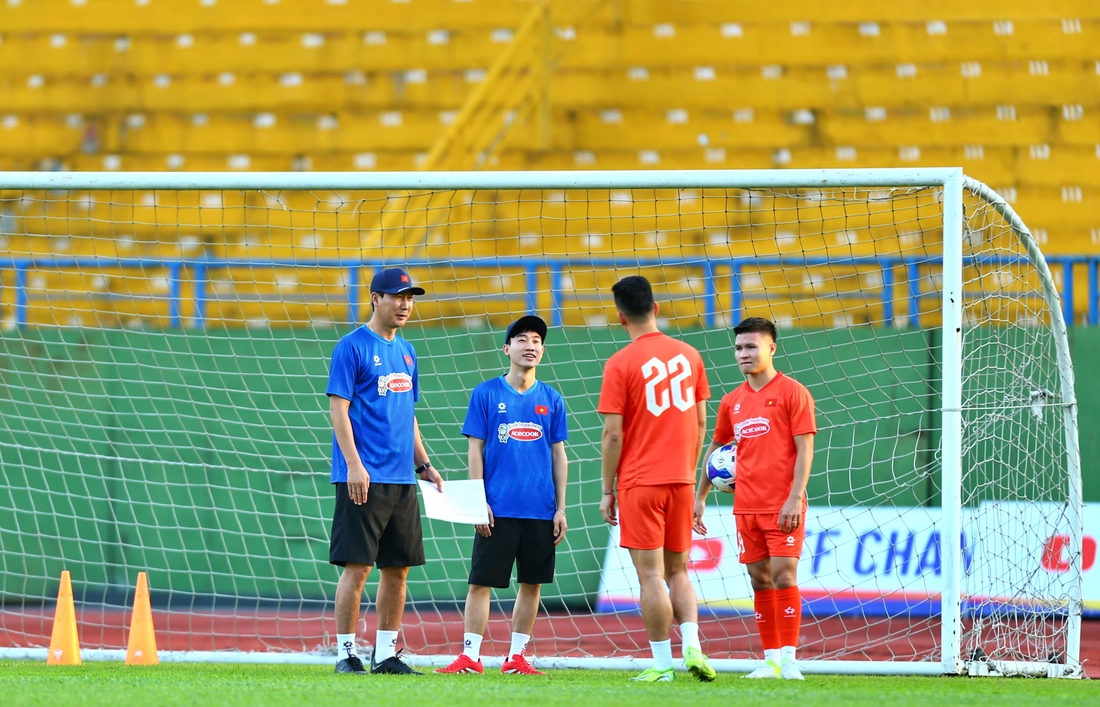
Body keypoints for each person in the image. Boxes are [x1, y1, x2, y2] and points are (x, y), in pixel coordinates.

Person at [598, 275, 717, 683]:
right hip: (681, 479)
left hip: (640, 481)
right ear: (657, 308)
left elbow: (614, 433)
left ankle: (663, 665)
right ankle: (694, 648)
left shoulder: (620, 363)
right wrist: (688, 467)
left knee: (650, 575)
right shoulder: (689, 354)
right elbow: (701, 421)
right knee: (679, 571)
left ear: (620, 317)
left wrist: (607, 489)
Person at [326, 267, 444, 676]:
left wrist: (423, 464)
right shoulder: (351, 346)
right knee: (356, 567)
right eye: (397, 296)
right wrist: (354, 465)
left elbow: (409, 415)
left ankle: (386, 654)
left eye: (410, 297)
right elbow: (338, 410)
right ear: (375, 298)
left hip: (401, 479)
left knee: (398, 569)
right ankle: (346, 654)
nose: (405, 304)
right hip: (363, 478)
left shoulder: (408, 352)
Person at [438, 315, 569, 676]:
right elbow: (474, 451)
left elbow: (559, 455)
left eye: (537, 341)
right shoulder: (486, 394)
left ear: (542, 351)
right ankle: (470, 656)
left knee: (531, 585)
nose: (531, 346)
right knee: (480, 583)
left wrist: (561, 508)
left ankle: (516, 657)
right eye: (523, 339)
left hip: (540, 510)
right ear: (507, 348)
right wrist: (478, 501)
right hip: (496, 509)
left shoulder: (552, 399)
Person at [694, 317, 816, 681]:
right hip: (745, 506)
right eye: (738, 348)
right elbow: (716, 448)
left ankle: (790, 659)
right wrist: (699, 495)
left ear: (771, 348)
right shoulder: (731, 401)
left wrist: (795, 498)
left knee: (783, 575)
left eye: (751, 346)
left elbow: (805, 449)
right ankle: (771, 659)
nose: (743, 354)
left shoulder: (793, 392)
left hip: (783, 504)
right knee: (759, 580)